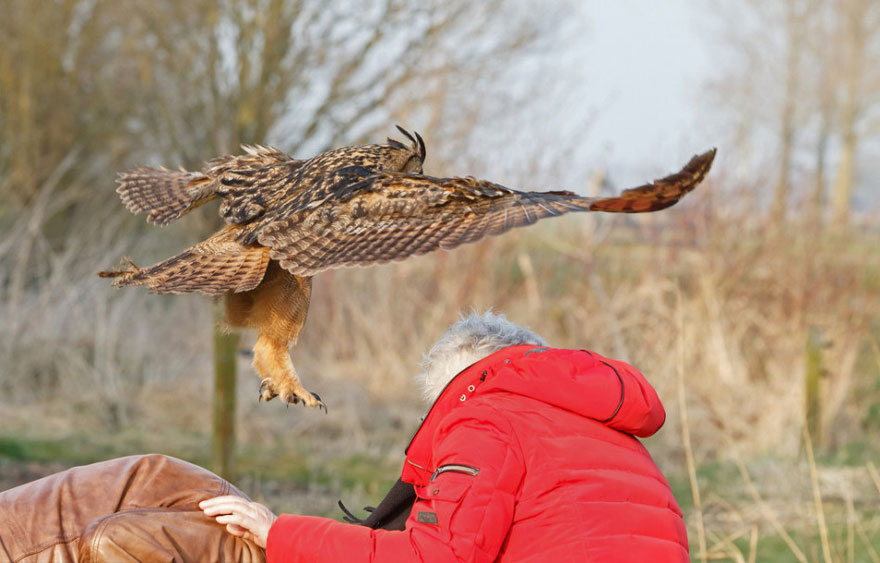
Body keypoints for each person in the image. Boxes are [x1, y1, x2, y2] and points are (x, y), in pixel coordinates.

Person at [201, 312, 689, 561]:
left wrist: (278, 532)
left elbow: (436, 558)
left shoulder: (484, 417)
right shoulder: (611, 430)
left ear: (451, 385)